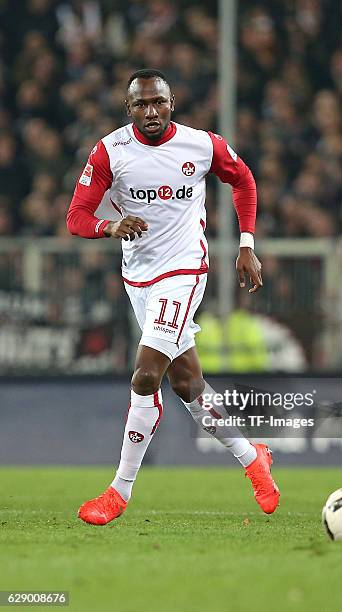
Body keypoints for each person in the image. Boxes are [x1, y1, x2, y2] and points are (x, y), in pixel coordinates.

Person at [66, 68, 280, 525]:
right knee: (187, 384)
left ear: (172, 103)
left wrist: (246, 245)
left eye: (158, 102)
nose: (151, 111)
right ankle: (252, 458)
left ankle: (118, 492)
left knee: (146, 375)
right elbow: (76, 216)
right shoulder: (110, 151)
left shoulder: (202, 145)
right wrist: (109, 226)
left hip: (184, 270)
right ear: (129, 110)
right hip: (138, 277)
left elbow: (244, 181)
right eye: (141, 104)